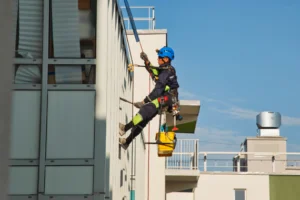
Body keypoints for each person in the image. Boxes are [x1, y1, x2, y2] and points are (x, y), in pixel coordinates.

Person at [119, 46, 180, 150]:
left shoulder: (166, 72)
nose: (158, 59)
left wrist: (144, 101)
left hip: (166, 98)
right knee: (144, 119)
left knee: (144, 110)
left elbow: (157, 91)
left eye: (159, 57)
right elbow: (153, 71)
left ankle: (125, 128)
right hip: (167, 99)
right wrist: (146, 60)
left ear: (165, 59)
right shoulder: (166, 70)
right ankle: (126, 142)